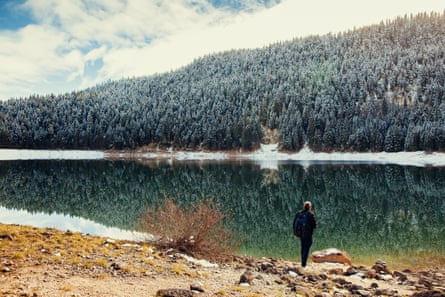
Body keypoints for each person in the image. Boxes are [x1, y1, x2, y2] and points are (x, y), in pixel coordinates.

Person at [293, 201, 317, 267]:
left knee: (303, 247)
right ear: (310, 207)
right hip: (308, 234)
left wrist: (295, 233)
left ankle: (303, 262)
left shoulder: (299, 213)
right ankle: (303, 264)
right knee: (307, 248)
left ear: (304, 206)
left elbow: (294, 223)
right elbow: (314, 225)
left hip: (301, 234)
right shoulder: (310, 214)